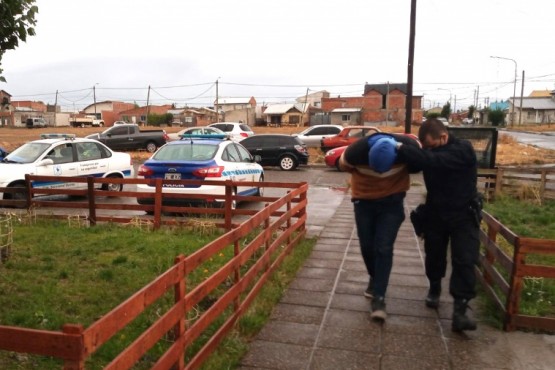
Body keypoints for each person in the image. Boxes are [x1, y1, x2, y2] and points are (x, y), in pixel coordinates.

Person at [396, 118, 480, 332]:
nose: (428, 150)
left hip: (463, 214)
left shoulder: (463, 150)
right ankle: (434, 289)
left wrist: (402, 147)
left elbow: (433, 160)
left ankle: (460, 309)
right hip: (436, 212)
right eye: (425, 147)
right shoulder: (431, 152)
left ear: (443, 137)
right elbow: (417, 162)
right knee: (434, 254)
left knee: (464, 259)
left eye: (431, 145)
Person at [339, 132, 421, 321]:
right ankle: (375, 279)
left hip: (392, 203)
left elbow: (423, 162)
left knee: (383, 247)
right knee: (367, 246)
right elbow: (344, 166)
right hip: (364, 202)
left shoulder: (408, 149)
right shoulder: (355, 152)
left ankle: (379, 298)